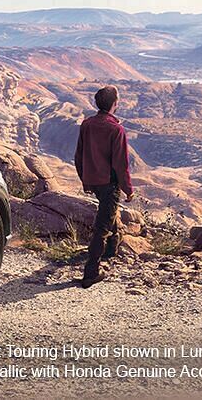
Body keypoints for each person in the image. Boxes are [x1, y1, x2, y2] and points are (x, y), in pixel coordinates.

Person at [74, 85, 134, 289]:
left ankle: (111, 251)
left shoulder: (87, 124)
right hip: (109, 182)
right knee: (102, 226)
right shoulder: (116, 129)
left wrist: (85, 179)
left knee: (108, 214)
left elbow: (79, 155)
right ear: (114, 104)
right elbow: (120, 163)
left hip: (93, 180)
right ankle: (91, 272)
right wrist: (128, 188)